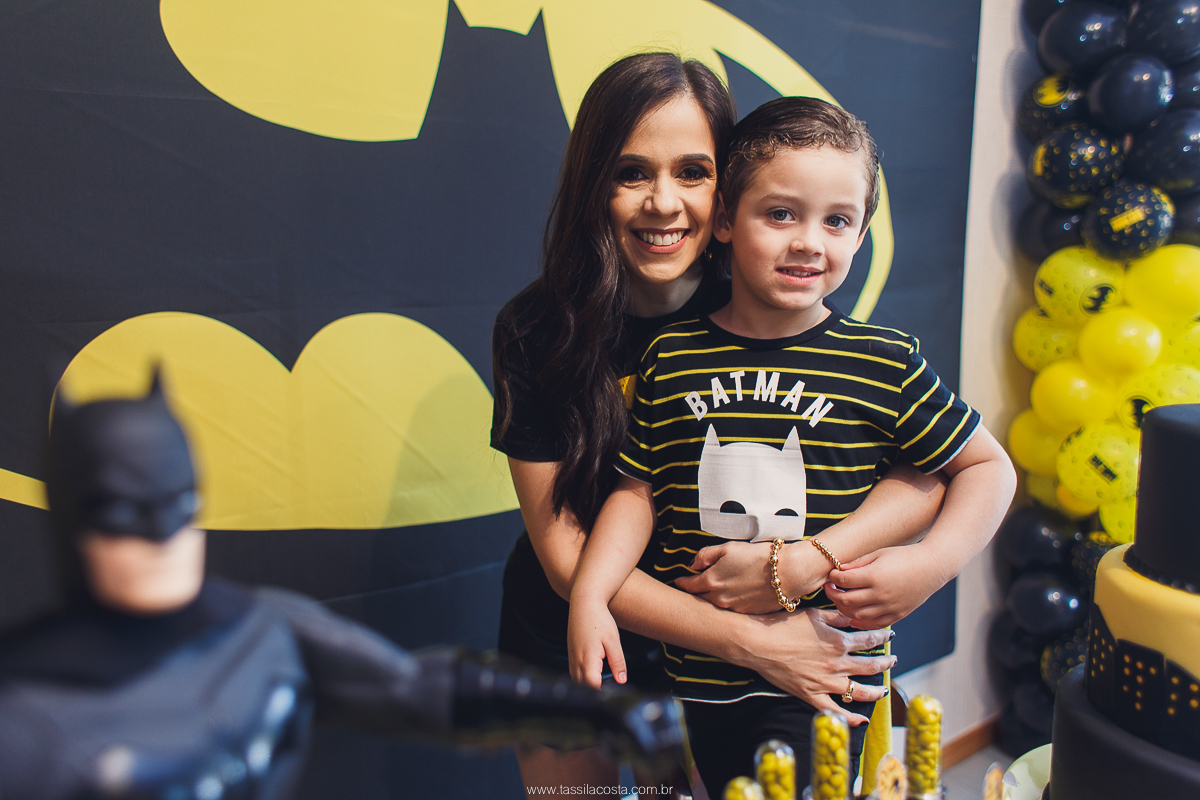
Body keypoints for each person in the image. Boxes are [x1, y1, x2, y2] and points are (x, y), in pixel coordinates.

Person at [492, 53, 951, 797]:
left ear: (731, 194)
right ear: (591, 182)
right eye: (631, 171)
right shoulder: (536, 329)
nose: (662, 202)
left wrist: (814, 560)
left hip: (716, 664)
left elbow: (920, 470)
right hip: (582, 634)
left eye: (693, 172)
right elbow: (562, 555)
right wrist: (760, 643)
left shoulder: (769, 296)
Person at [566, 97, 1016, 794]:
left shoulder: (883, 360)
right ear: (723, 222)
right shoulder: (671, 355)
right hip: (698, 672)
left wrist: (932, 563)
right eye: (781, 214)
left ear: (861, 234)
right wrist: (591, 595)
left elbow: (986, 466)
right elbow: (637, 489)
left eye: (837, 221)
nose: (810, 241)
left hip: (828, 671)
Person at [0, 378, 686, 799]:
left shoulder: (263, 632)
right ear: (73, 521)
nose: (158, 537)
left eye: (176, 504)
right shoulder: (26, 705)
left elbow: (414, 688)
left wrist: (595, 714)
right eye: (122, 514)